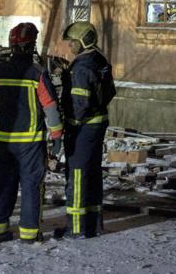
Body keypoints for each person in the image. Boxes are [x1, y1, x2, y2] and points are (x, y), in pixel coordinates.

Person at [0, 22, 63, 243]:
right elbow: (51, 108)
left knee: (4, 184)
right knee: (30, 186)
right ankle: (28, 233)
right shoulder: (37, 74)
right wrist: (56, 138)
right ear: (32, 46)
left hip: (3, 142)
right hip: (30, 143)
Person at [59, 21, 115, 238]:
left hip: (82, 129)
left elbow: (79, 105)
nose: (70, 46)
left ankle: (76, 228)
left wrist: (69, 120)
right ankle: (94, 224)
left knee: (78, 175)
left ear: (83, 42)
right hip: (98, 125)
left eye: (73, 42)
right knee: (92, 173)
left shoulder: (81, 67)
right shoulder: (100, 60)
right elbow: (110, 93)